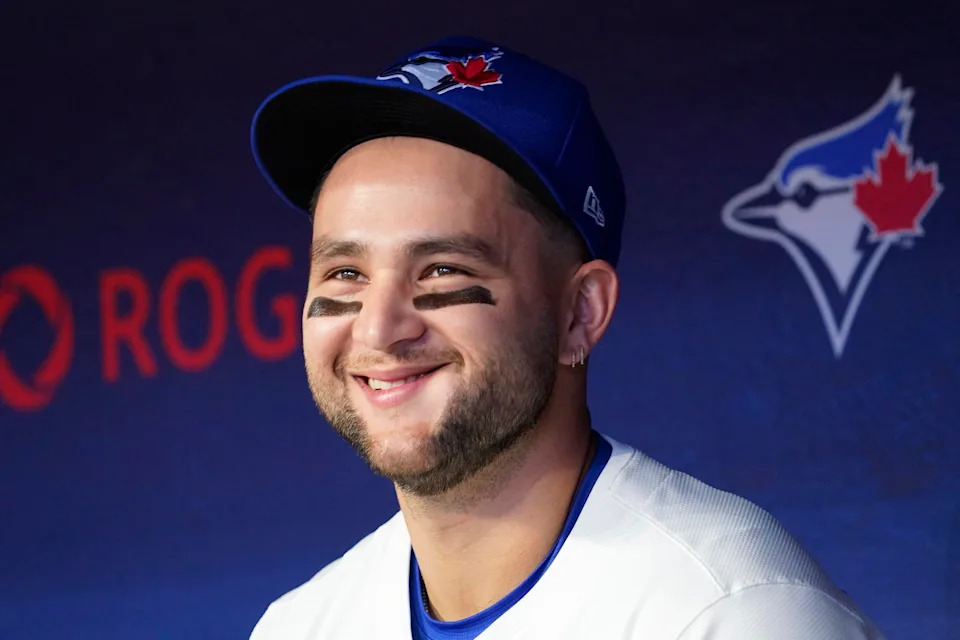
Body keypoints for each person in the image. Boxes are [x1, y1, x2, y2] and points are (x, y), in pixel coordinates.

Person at [248, 36, 885, 639]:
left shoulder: (730, 613)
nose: (380, 327)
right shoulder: (302, 625)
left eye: (443, 269)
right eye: (345, 273)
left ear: (580, 311)